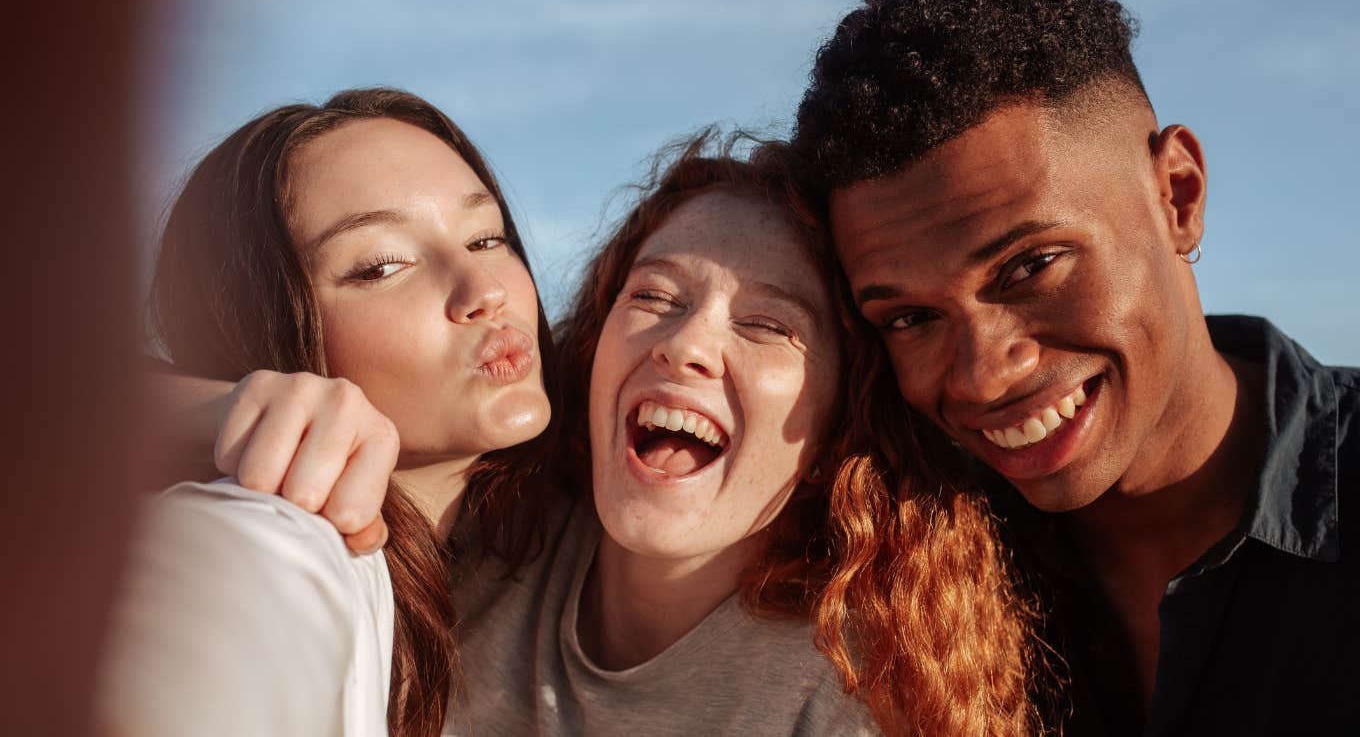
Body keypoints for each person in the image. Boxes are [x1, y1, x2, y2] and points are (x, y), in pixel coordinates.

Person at [148, 132, 1046, 734]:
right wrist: (223, 405)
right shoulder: (487, 520)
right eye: (652, 297)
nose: (688, 343)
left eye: (771, 325)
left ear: (843, 421)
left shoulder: (850, 696)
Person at [791, 0, 1358, 734]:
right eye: (912, 316)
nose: (984, 372)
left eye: (1031, 266)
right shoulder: (896, 580)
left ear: (1179, 196)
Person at [99, 88, 555, 737]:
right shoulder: (281, 541)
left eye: (486, 237)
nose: (484, 291)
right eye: (382, 265)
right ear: (259, 327)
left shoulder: (575, 513)